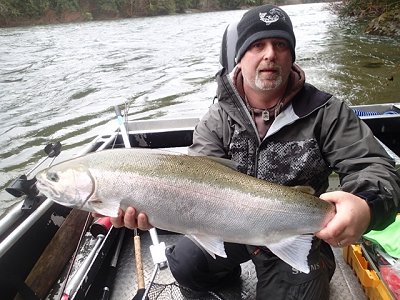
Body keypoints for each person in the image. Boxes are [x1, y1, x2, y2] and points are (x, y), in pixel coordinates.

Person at [109, 4, 400, 299]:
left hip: (297, 228)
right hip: (226, 224)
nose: (270, 54)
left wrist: (366, 205)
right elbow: (191, 184)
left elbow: (374, 166)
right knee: (185, 264)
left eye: (281, 44)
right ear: (240, 58)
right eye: (257, 45)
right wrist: (152, 207)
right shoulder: (216, 118)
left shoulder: (326, 112)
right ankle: (226, 270)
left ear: (291, 57)